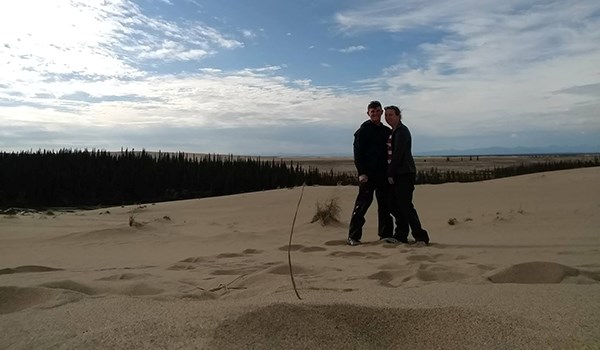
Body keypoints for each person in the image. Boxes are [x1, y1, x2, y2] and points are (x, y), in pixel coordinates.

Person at [347, 101, 394, 246]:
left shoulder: (386, 132)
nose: (375, 113)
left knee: (385, 205)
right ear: (368, 113)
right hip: (368, 175)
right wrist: (361, 172)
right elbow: (358, 154)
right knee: (362, 205)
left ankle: (385, 235)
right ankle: (353, 237)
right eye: (372, 111)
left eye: (377, 111)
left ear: (381, 113)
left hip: (383, 174)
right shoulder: (363, 131)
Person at [384, 105, 430, 245]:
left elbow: (398, 154)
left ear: (398, 116)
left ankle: (420, 236)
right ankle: (401, 235)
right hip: (398, 173)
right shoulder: (394, 131)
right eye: (386, 115)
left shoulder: (402, 131)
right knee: (395, 205)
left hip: (405, 173)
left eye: (391, 114)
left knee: (405, 205)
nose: (388, 117)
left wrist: (390, 173)